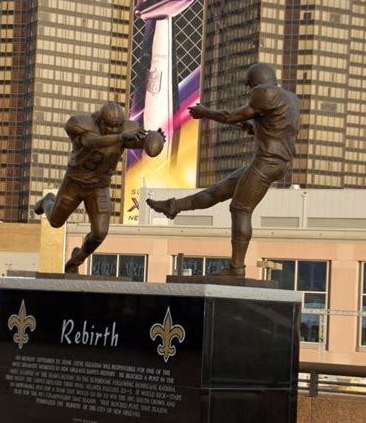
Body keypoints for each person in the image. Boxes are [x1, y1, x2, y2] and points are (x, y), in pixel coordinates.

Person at [147, 62, 300, 278]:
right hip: (277, 162)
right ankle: (173, 206)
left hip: (267, 161)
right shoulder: (292, 99)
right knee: (218, 191)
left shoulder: (263, 92)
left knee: (240, 209)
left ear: (255, 82)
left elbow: (230, 116)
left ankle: (236, 268)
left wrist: (204, 112)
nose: (250, 91)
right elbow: (279, 129)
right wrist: (252, 128)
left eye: (249, 86)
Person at [34, 102, 163, 273]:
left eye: (117, 126)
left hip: (99, 186)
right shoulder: (83, 126)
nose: (113, 129)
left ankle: (76, 261)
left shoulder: (126, 132)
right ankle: (48, 200)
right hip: (75, 182)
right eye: (110, 125)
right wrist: (121, 137)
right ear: (100, 121)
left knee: (100, 233)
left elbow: (143, 143)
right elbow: (92, 142)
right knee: (56, 222)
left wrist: (155, 138)